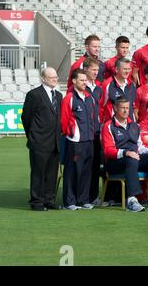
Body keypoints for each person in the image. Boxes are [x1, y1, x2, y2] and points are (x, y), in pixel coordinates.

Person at [101, 97, 148, 211]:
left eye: (128, 108)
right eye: (123, 108)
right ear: (115, 108)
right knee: (131, 159)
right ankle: (132, 200)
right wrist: (126, 152)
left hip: (133, 158)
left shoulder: (134, 125)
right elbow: (108, 151)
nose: (126, 111)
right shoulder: (108, 126)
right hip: (114, 163)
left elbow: (139, 146)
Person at [21, 67, 63, 211]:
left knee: (52, 173)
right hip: (39, 142)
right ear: (43, 78)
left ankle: (49, 199)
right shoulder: (34, 95)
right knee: (39, 172)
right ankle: (36, 201)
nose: (55, 79)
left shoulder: (58, 95)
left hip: (55, 142)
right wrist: (33, 135)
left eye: (56, 77)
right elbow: (26, 117)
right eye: (51, 77)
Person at [60, 69, 95, 210]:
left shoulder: (89, 98)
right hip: (75, 142)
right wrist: (71, 133)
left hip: (89, 140)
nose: (84, 82)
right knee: (72, 172)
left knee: (86, 171)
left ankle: (83, 200)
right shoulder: (69, 98)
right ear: (74, 81)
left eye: (85, 80)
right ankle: (70, 202)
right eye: (81, 80)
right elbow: (63, 120)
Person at [82, 58, 103, 205]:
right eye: (93, 70)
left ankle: (93, 196)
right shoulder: (80, 88)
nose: (96, 72)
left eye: (97, 70)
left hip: (96, 132)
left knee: (95, 165)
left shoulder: (99, 88)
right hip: (83, 134)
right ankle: (81, 196)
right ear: (85, 70)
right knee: (84, 165)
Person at [100, 57, 137, 123]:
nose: (127, 71)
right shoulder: (107, 85)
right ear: (116, 69)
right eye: (125, 69)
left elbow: (132, 107)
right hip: (113, 127)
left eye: (129, 69)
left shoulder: (132, 85)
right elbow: (100, 107)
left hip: (129, 126)